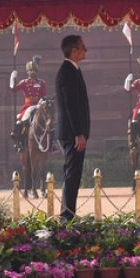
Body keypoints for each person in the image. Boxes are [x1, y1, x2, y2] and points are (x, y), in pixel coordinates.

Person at [54, 34, 90, 221]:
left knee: (73, 174)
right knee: (72, 174)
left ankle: (68, 213)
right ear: (74, 51)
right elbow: (71, 105)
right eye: (83, 47)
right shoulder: (67, 71)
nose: (85, 50)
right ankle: (66, 216)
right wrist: (78, 134)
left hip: (73, 132)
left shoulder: (73, 70)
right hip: (71, 133)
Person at [10, 57, 48, 151]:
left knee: (49, 120)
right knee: (21, 121)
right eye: (30, 70)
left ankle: (52, 143)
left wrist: (42, 102)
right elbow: (13, 89)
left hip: (39, 105)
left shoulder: (41, 83)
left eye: (34, 70)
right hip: (28, 106)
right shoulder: (24, 83)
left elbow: (44, 95)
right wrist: (13, 78)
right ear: (27, 72)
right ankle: (19, 142)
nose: (32, 72)